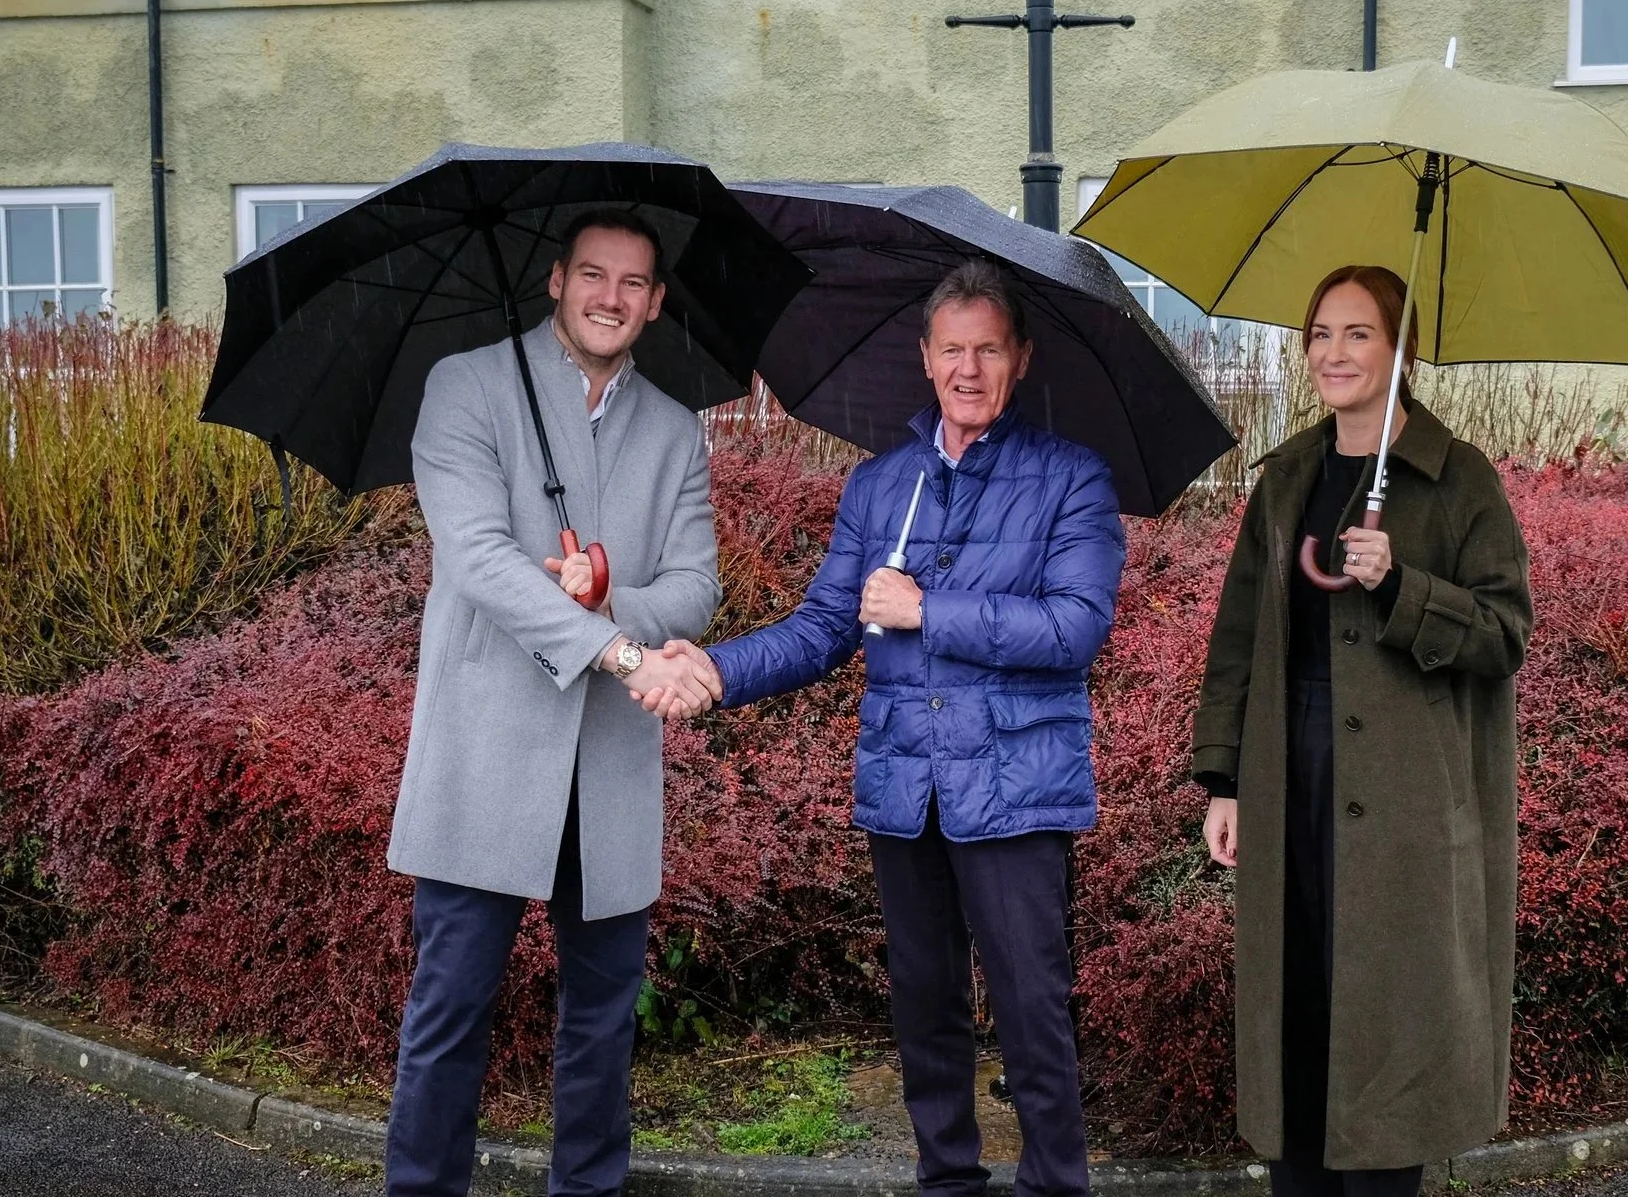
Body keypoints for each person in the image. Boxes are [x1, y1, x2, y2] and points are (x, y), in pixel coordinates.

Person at [651, 259, 1126, 1197]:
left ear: (1019, 358)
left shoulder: (1072, 477)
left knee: (1033, 1009)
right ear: (924, 357)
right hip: (907, 789)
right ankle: (947, 1179)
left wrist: (928, 609)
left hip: (1016, 789)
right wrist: (714, 670)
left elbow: (1077, 629)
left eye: (989, 348)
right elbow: (825, 629)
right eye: (952, 348)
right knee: (924, 1007)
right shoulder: (881, 488)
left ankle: (1054, 1184)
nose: (969, 368)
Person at [384, 209, 721, 1197]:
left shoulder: (672, 426)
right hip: (485, 748)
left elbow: (697, 584)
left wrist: (610, 589)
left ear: (655, 302)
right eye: (591, 274)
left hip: (607, 762)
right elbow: (477, 555)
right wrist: (614, 646)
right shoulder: (467, 386)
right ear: (555, 281)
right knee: (450, 1005)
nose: (609, 297)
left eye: (631, 283)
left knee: (603, 1016)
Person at [1193, 265, 1532, 1197]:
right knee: (1297, 994)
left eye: (1358, 334)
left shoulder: (1459, 481)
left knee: (1386, 1013)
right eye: (1320, 335)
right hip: (1291, 767)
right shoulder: (1289, 477)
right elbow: (1239, 636)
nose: (1333, 354)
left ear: (1401, 351)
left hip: (1409, 797)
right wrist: (1225, 782)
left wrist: (1402, 584)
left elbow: (1506, 634)